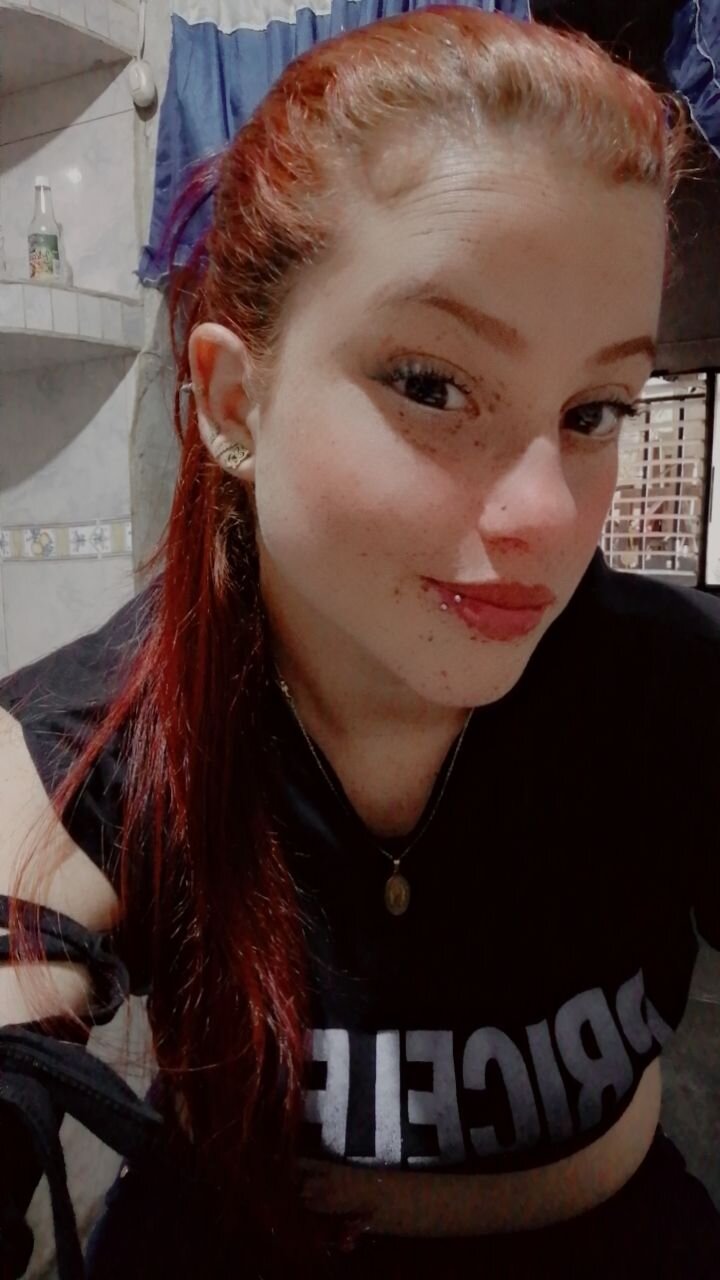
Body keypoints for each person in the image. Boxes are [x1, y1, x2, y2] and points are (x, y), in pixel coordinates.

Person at [0, 6, 719, 1278]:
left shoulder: (676, 693)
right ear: (234, 400)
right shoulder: (112, 722)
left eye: (594, 409)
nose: (545, 516)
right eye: (431, 385)